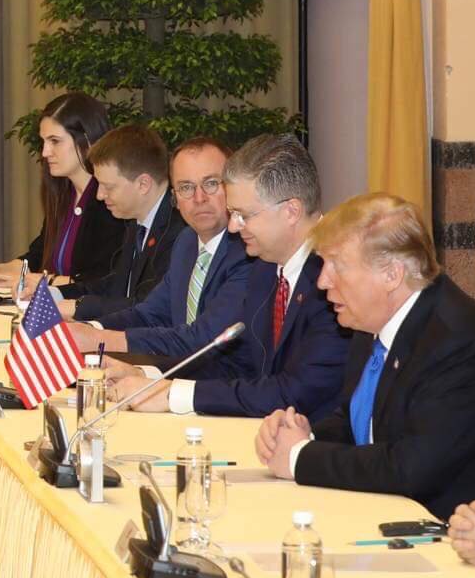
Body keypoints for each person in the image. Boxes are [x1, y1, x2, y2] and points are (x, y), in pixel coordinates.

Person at [255, 193, 475, 520]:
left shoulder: (460, 341)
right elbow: (361, 420)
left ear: (391, 275)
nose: (322, 281)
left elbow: (411, 468)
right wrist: (304, 433)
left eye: (337, 265)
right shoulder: (371, 322)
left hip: (444, 531)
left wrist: (300, 457)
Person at [106, 133, 348, 419]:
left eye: (244, 215)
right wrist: (148, 377)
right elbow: (240, 365)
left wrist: (172, 394)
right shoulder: (266, 269)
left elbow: (293, 393)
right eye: (233, 213)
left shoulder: (336, 279)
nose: (233, 227)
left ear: (291, 211)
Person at [63, 137, 254, 351]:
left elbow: (204, 339)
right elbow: (150, 314)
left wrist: (101, 339)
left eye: (211, 183)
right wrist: (89, 329)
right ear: (175, 198)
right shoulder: (186, 242)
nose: (199, 198)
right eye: (186, 187)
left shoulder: (247, 251)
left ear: (233, 187)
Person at [0, 92, 122, 284]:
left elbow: (101, 281)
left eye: (55, 141)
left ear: (87, 139)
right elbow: (38, 255)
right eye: (43, 142)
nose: (45, 152)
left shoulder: (110, 201)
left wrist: (42, 282)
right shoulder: (63, 194)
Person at [61, 124, 189, 322]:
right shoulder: (135, 222)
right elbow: (117, 284)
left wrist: (79, 307)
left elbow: (149, 306)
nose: (99, 195)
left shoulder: (179, 232)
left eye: (108, 187)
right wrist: (57, 294)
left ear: (143, 184)